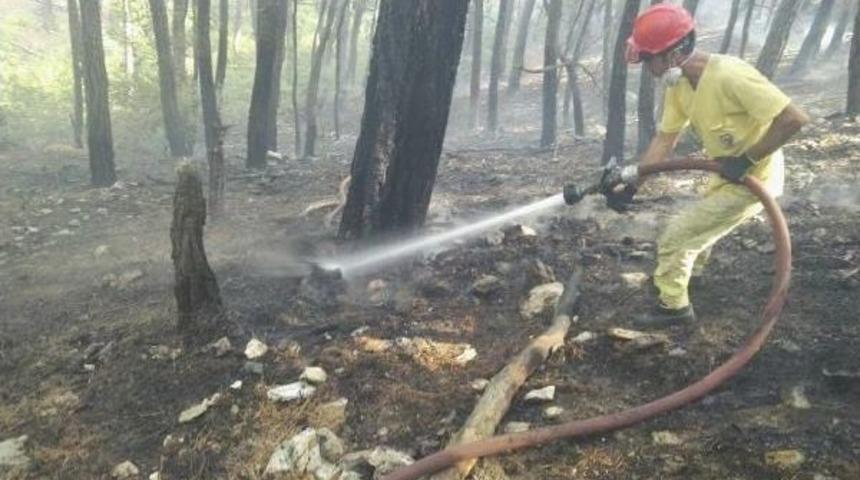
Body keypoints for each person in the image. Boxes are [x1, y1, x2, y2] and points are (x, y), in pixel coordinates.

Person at [603, 4, 809, 326]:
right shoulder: (681, 85)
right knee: (700, 226)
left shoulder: (730, 75)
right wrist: (633, 185)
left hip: (755, 177)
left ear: (671, 54)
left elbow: (793, 118)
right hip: (729, 173)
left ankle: (675, 309)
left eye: (648, 60)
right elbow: (664, 141)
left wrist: (748, 159)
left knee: (676, 236)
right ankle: (688, 277)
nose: (648, 68)